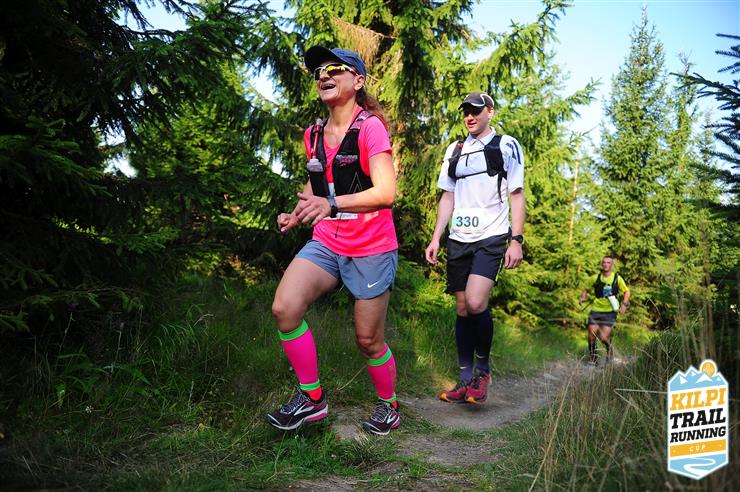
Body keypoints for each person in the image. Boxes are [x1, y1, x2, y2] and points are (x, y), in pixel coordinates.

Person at [266, 46, 400, 436]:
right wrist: (297, 213)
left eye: (335, 69)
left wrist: (333, 203)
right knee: (285, 307)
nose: (324, 75)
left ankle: (389, 405)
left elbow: (386, 192)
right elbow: (317, 184)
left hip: (371, 246)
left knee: (368, 339)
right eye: (318, 72)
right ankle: (312, 399)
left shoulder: (370, 128)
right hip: (328, 240)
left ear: (357, 81)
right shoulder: (313, 134)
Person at [425, 91, 526, 404]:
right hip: (459, 238)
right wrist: (436, 237)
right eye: (466, 112)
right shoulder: (454, 150)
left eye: (476, 111)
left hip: (491, 236)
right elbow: (448, 196)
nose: (470, 116)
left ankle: (482, 371)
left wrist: (516, 240)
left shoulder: (505, 145)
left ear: (489, 112)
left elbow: (516, 194)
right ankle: (465, 378)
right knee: (461, 308)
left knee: (475, 302)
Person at [578, 255, 631, 365]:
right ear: (601, 264)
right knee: (591, 336)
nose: (606, 264)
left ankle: (609, 351)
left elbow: (627, 291)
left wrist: (624, 304)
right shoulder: (595, 278)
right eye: (604, 262)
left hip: (610, 311)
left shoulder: (617, 278)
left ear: (612, 265)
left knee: (603, 337)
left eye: (608, 262)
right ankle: (593, 360)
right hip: (596, 310)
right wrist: (583, 297)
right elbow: (586, 289)